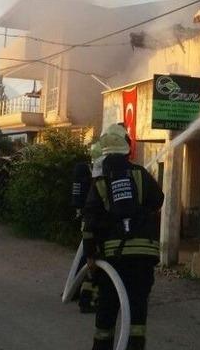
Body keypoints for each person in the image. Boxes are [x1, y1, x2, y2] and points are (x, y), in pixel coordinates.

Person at [83, 124, 163, 350]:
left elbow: (89, 223)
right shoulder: (141, 174)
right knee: (137, 312)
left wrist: (90, 255)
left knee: (107, 310)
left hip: (114, 257)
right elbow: (158, 200)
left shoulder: (100, 182)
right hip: (144, 256)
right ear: (126, 150)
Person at [71, 142, 99, 313]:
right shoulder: (97, 175)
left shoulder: (88, 170)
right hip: (93, 222)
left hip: (86, 220)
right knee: (93, 258)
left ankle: (76, 290)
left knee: (85, 256)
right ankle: (88, 297)